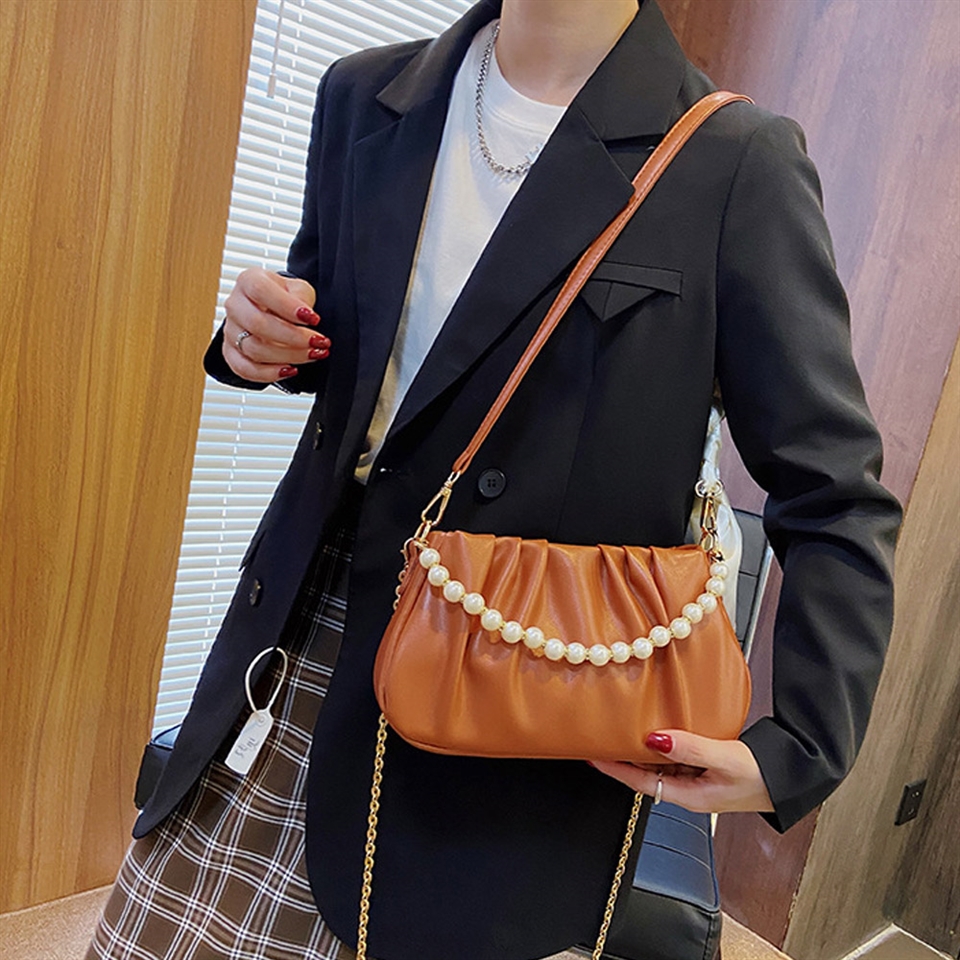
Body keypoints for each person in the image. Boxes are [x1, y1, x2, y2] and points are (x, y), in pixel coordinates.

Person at [89, 0, 901, 958]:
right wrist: (259, 340)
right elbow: (347, 340)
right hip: (298, 631)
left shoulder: (734, 163)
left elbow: (833, 489)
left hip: (508, 682)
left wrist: (799, 745)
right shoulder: (366, 96)